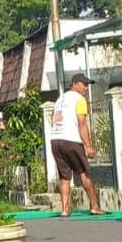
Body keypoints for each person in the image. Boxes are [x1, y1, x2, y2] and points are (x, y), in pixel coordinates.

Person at [50, 73, 106, 217]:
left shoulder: (59, 100)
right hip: (71, 140)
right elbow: (81, 123)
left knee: (64, 176)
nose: (86, 88)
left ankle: (64, 209)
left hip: (55, 140)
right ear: (74, 84)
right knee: (84, 172)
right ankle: (94, 206)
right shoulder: (79, 99)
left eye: (87, 85)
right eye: (84, 84)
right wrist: (88, 146)